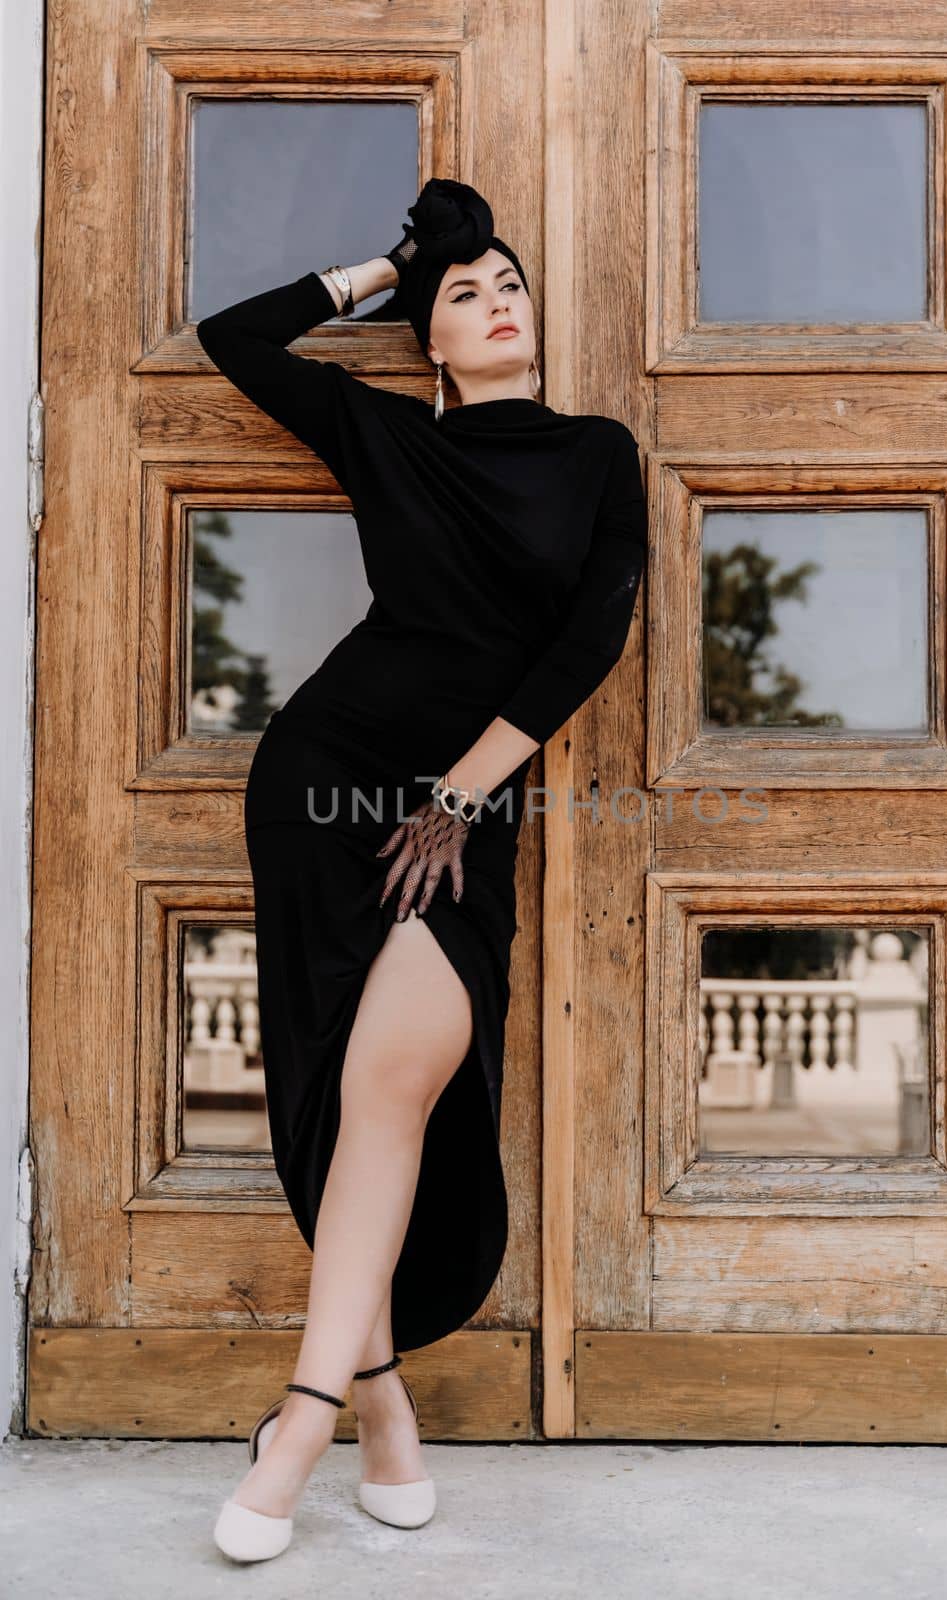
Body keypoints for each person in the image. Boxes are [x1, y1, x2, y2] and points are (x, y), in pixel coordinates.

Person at [201, 178, 647, 1562]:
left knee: (396, 1083)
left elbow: (593, 636)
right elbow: (237, 337)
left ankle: (310, 1419)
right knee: (352, 1109)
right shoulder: (387, 435)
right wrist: (393, 265)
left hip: (461, 803)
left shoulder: (595, 452)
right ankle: (377, 1404)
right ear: (432, 344)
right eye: (468, 293)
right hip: (322, 786)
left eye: (507, 280)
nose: (496, 296)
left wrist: (461, 792)